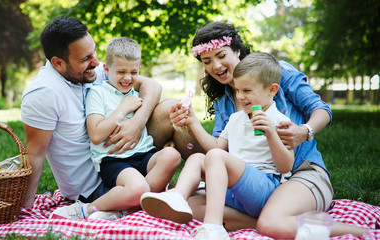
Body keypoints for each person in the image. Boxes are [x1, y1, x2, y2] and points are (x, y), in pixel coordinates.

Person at [149, 22, 369, 238]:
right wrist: (192, 122)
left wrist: (304, 131)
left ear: (237, 51)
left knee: (270, 222)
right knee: (192, 205)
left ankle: (272, 222)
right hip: (251, 179)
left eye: (221, 55)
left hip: (300, 172)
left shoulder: (274, 72)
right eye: (207, 61)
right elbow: (217, 149)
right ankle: (268, 223)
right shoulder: (226, 102)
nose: (215, 65)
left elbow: (321, 109)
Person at [20, 16, 162, 219]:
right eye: (85, 58)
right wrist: (24, 212)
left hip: (131, 162)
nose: (95, 62)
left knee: (168, 109)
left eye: (93, 52)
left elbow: (153, 86)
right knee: (139, 186)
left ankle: (214, 178)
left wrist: (137, 123)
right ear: (58, 63)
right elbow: (34, 154)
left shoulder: (93, 71)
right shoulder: (44, 93)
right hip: (96, 186)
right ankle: (113, 207)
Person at [141, 52, 294, 239]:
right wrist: (192, 123)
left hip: (263, 190)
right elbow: (216, 148)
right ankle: (178, 197)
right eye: (238, 90)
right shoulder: (236, 118)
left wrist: (271, 134)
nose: (240, 96)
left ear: (272, 90)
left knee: (214, 157)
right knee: (196, 170)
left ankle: (213, 227)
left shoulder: (280, 121)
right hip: (236, 191)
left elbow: (286, 166)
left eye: (247, 91)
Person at [84, 37, 181, 214]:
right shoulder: (97, 93)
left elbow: (154, 87)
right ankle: (87, 209)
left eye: (134, 72)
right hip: (115, 160)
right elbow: (96, 135)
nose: (128, 78)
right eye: (121, 72)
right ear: (106, 69)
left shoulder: (137, 93)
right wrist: (123, 108)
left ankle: (133, 208)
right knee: (137, 188)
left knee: (172, 156)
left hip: (144, 154)